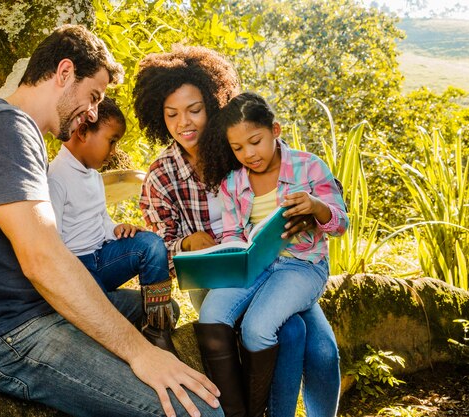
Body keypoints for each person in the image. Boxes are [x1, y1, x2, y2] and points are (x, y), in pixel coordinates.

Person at [0, 25, 222, 417]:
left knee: (151, 310)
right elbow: (43, 259)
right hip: (8, 335)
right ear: (64, 73)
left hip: (31, 312)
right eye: (93, 96)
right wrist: (142, 354)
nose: (94, 112)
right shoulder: (6, 128)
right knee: (198, 410)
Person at [133, 45, 342, 417]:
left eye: (195, 110)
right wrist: (184, 242)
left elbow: (295, 173)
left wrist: (312, 210)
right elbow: (157, 246)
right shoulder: (161, 176)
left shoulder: (239, 148)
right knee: (287, 332)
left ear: (213, 105)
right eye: (172, 114)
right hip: (220, 277)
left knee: (322, 350)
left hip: (282, 264)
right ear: (158, 116)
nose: (185, 122)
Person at [197, 91, 349, 416]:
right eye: (238, 148)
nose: (249, 154)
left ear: (275, 131)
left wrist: (317, 206)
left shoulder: (308, 167)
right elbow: (232, 234)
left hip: (302, 267)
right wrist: (230, 254)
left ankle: (264, 411)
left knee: (258, 329)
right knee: (210, 313)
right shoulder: (233, 184)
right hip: (256, 265)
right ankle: (238, 411)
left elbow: (340, 224)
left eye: (255, 141)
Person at [47, 96, 178, 354]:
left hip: (103, 260)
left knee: (151, 245)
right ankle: (99, 320)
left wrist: (116, 228)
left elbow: (100, 220)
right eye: (112, 141)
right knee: (101, 311)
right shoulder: (55, 177)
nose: (114, 151)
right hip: (78, 272)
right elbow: (52, 242)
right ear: (83, 132)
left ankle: (157, 331)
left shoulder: (93, 177)